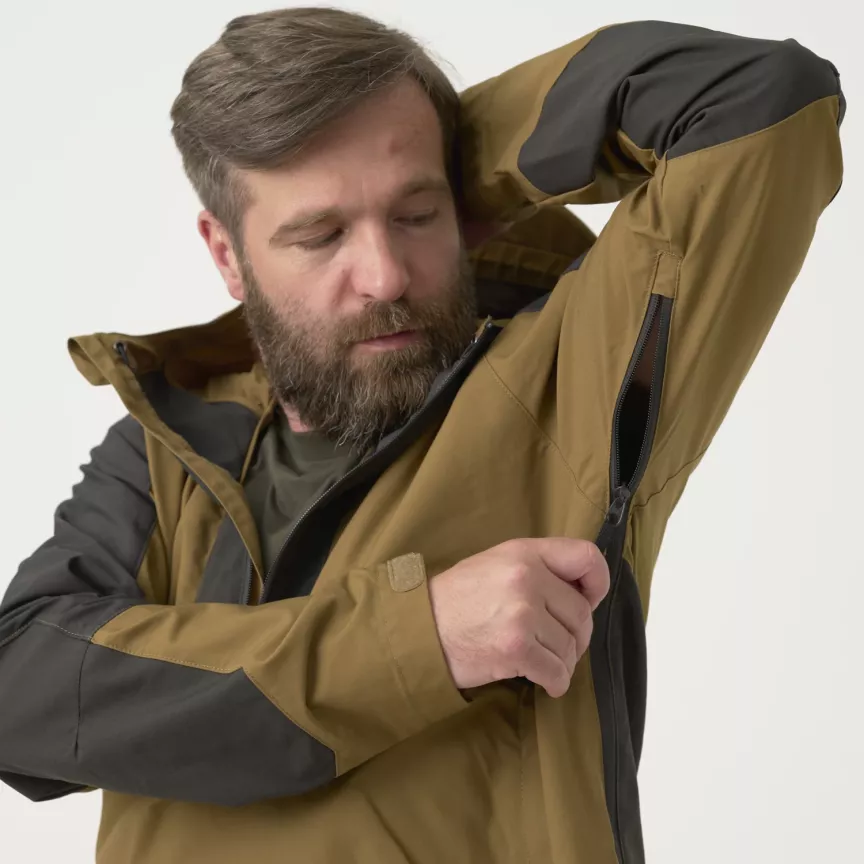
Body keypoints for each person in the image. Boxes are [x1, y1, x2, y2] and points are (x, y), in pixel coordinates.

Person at [0, 8, 845, 864]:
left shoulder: (566, 385)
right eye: (321, 234)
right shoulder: (169, 441)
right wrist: (419, 638)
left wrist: (454, 153)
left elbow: (763, 99)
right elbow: (19, 692)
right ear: (227, 255)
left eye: (416, 214)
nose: (386, 276)